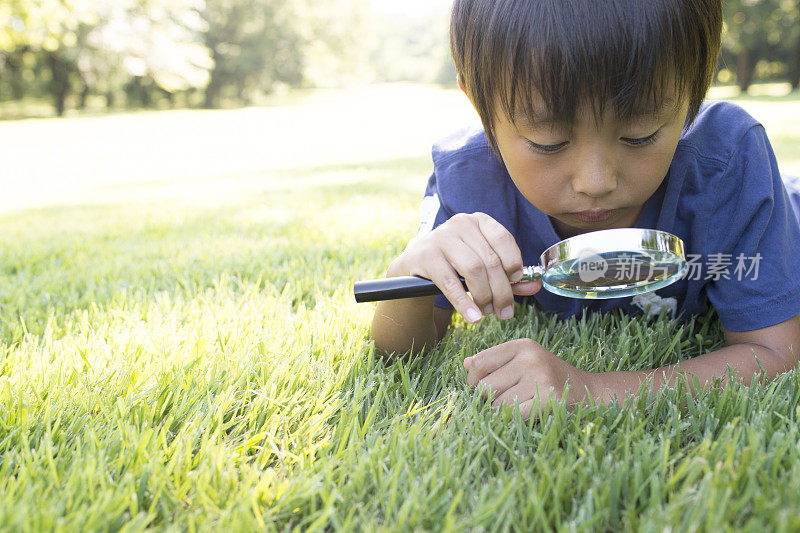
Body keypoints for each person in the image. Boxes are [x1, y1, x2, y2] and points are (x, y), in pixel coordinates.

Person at [369, 0, 800, 421]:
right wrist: (412, 274)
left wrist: (596, 390)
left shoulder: (727, 161)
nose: (596, 182)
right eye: (548, 142)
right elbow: (402, 350)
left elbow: (777, 352)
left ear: (694, 93)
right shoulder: (467, 176)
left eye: (640, 135)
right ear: (481, 106)